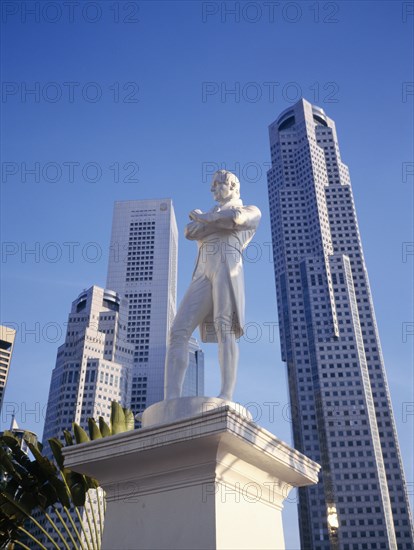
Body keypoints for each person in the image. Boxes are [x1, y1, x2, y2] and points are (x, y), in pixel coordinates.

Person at [164, 170, 261, 402]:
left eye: (218, 185)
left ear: (233, 186)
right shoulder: (211, 214)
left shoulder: (252, 210)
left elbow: (236, 219)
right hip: (202, 271)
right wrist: (213, 222)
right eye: (213, 185)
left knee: (224, 327)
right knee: (178, 331)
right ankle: (171, 399)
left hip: (227, 265)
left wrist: (203, 218)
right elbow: (190, 232)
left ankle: (226, 394)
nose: (213, 189)